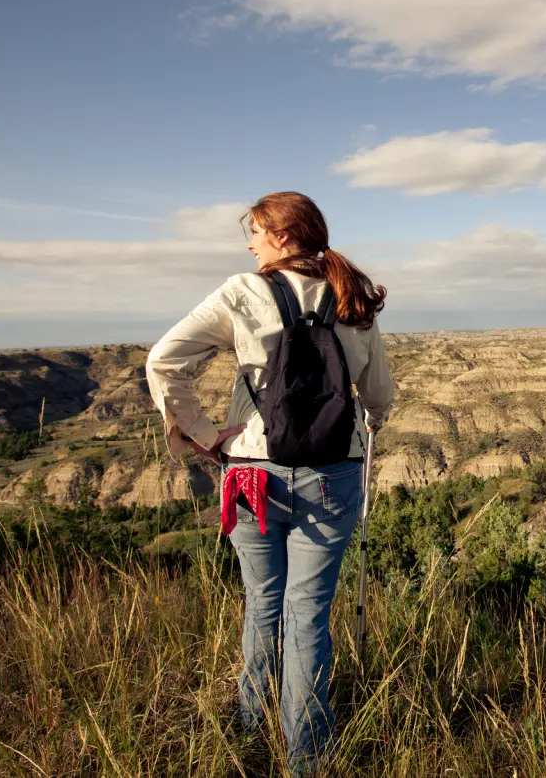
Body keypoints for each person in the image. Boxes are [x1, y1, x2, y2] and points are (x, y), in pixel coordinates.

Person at [145, 191, 394, 772]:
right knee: (308, 613)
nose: (250, 244)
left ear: (284, 236)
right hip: (334, 475)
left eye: (255, 232)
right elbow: (379, 394)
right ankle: (309, 758)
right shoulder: (351, 296)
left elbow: (163, 362)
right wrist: (367, 427)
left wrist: (210, 435)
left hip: (253, 473)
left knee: (263, 602)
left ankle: (251, 730)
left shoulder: (243, 292)